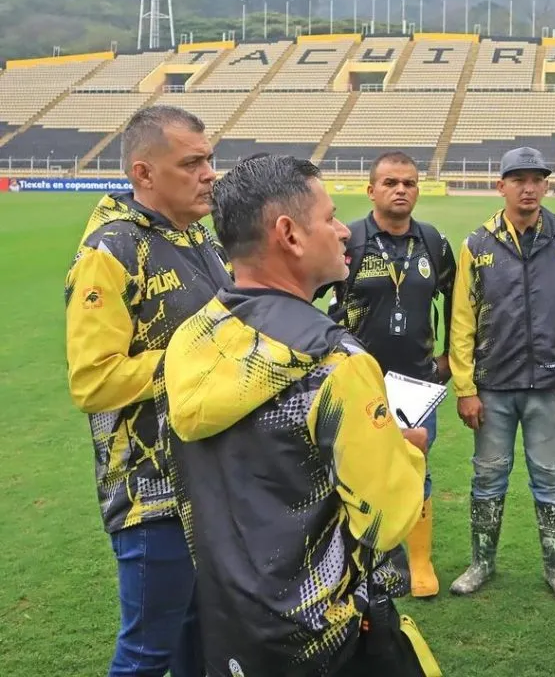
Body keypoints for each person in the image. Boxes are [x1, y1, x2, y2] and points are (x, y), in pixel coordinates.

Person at [157, 154, 432, 677]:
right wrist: (405, 452)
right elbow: (384, 521)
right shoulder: (337, 363)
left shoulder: (191, 337)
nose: (343, 232)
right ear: (289, 234)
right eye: (330, 218)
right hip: (327, 636)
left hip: (229, 623)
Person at [65, 105, 230, 677]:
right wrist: (202, 358)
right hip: (149, 490)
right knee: (146, 655)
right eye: (192, 163)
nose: (209, 173)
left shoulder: (200, 239)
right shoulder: (108, 253)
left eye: (209, 159)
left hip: (208, 477)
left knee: (198, 644)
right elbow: (94, 380)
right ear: (144, 172)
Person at [448, 146, 555, 606]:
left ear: (546, 185)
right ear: (501, 186)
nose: (529, 188)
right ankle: (481, 564)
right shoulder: (477, 244)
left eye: (537, 179)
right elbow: (461, 320)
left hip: (549, 387)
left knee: (549, 479)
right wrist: (465, 388)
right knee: (487, 479)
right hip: (492, 388)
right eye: (518, 179)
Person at [327, 151, 456, 599]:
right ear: (371, 190)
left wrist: (450, 357)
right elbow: (310, 291)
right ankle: (364, 557)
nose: (401, 189)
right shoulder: (349, 240)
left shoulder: (433, 242)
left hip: (417, 382)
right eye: (390, 182)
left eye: (409, 182)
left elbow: (458, 299)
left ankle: (419, 561)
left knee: (415, 468)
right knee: (356, 469)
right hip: (358, 380)